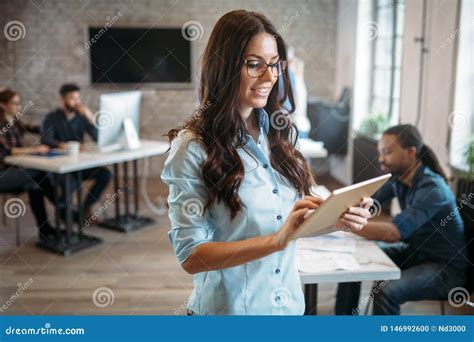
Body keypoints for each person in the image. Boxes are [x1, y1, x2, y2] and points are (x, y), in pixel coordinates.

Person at [161, 10, 373, 315]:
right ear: (224, 67)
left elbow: (288, 226)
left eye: (274, 64)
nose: (270, 76)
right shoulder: (192, 147)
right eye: (254, 64)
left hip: (287, 309)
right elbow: (192, 257)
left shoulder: (282, 135)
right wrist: (275, 241)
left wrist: (334, 220)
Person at [336, 124, 468, 315]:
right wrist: (338, 206)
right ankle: (343, 326)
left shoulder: (433, 188)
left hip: (445, 268)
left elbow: (394, 233)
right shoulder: (400, 178)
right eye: (380, 152)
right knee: (352, 261)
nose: (381, 159)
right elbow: (369, 199)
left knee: (388, 292)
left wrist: (346, 224)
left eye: (387, 152)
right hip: (415, 253)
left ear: (411, 152)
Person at [41, 83, 112, 222]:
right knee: (70, 183)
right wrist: (67, 146)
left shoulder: (81, 117)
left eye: (78, 98)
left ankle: (85, 209)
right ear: (63, 100)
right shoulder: (51, 117)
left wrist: (90, 118)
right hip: (59, 165)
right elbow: (46, 139)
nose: (76, 102)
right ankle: (65, 216)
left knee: (105, 174)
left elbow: (98, 138)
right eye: (72, 98)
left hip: (79, 164)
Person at [0, 89, 56, 240]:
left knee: (35, 185)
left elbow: (35, 128)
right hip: (2, 176)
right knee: (39, 172)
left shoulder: (14, 122)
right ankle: (64, 209)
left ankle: (46, 231)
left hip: (13, 173)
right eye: (15, 103)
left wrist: (50, 126)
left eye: (19, 103)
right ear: (3, 105)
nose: (19, 106)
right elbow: (8, 151)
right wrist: (34, 149)